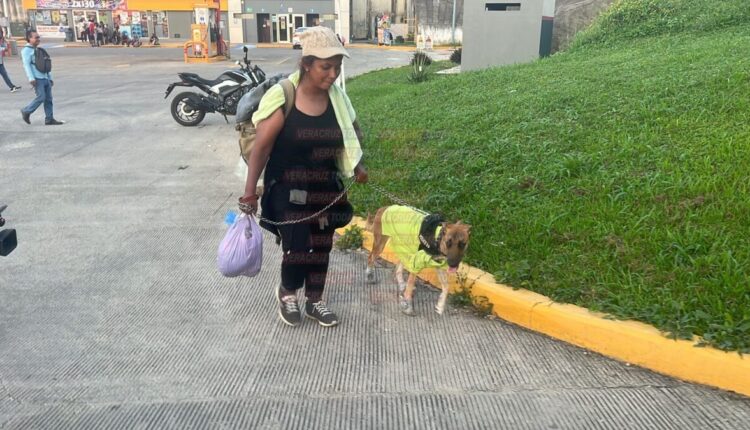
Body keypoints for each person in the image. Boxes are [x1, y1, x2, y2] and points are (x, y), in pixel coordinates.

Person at [240, 26, 368, 328]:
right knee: (298, 247)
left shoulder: (338, 99)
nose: (333, 74)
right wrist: (249, 192)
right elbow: (261, 148)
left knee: (321, 245)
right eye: (326, 66)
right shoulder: (284, 95)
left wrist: (358, 165)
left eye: (338, 66)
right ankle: (287, 292)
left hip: (326, 186)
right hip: (287, 187)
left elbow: (352, 132)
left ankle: (315, 299)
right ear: (307, 64)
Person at [20, 31, 63, 125]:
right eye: (36, 37)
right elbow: (26, 65)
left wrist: (49, 77)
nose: (38, 39)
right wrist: (31, 78)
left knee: (48, 99)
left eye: (38, 37)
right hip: (37, 79)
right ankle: (26, 111)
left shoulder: (40, 50)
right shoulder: (26, 51)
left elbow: (46, 65)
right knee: (41, 97)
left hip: (45, 78)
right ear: (29, 39)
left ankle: (49, 119)